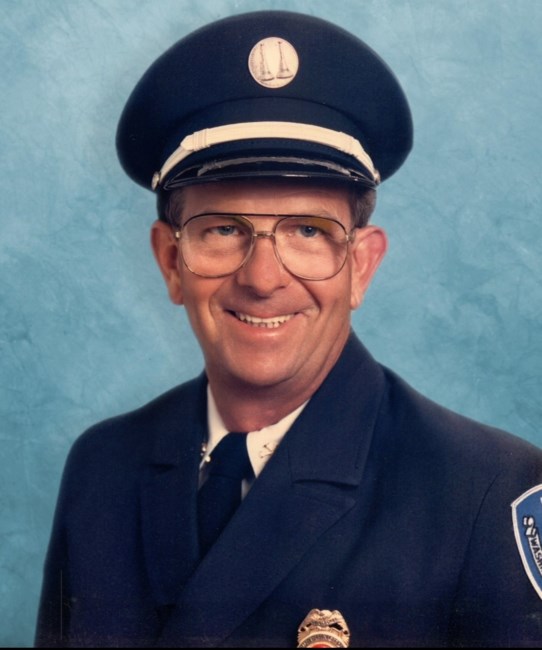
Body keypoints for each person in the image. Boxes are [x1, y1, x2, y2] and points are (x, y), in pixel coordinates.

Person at [35, 10, 542, 648]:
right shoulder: (103, 469)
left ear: (361, 266)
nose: (262, 278)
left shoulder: (484, 493)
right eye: (223, 229)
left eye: (308, 231)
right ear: (170, 261)